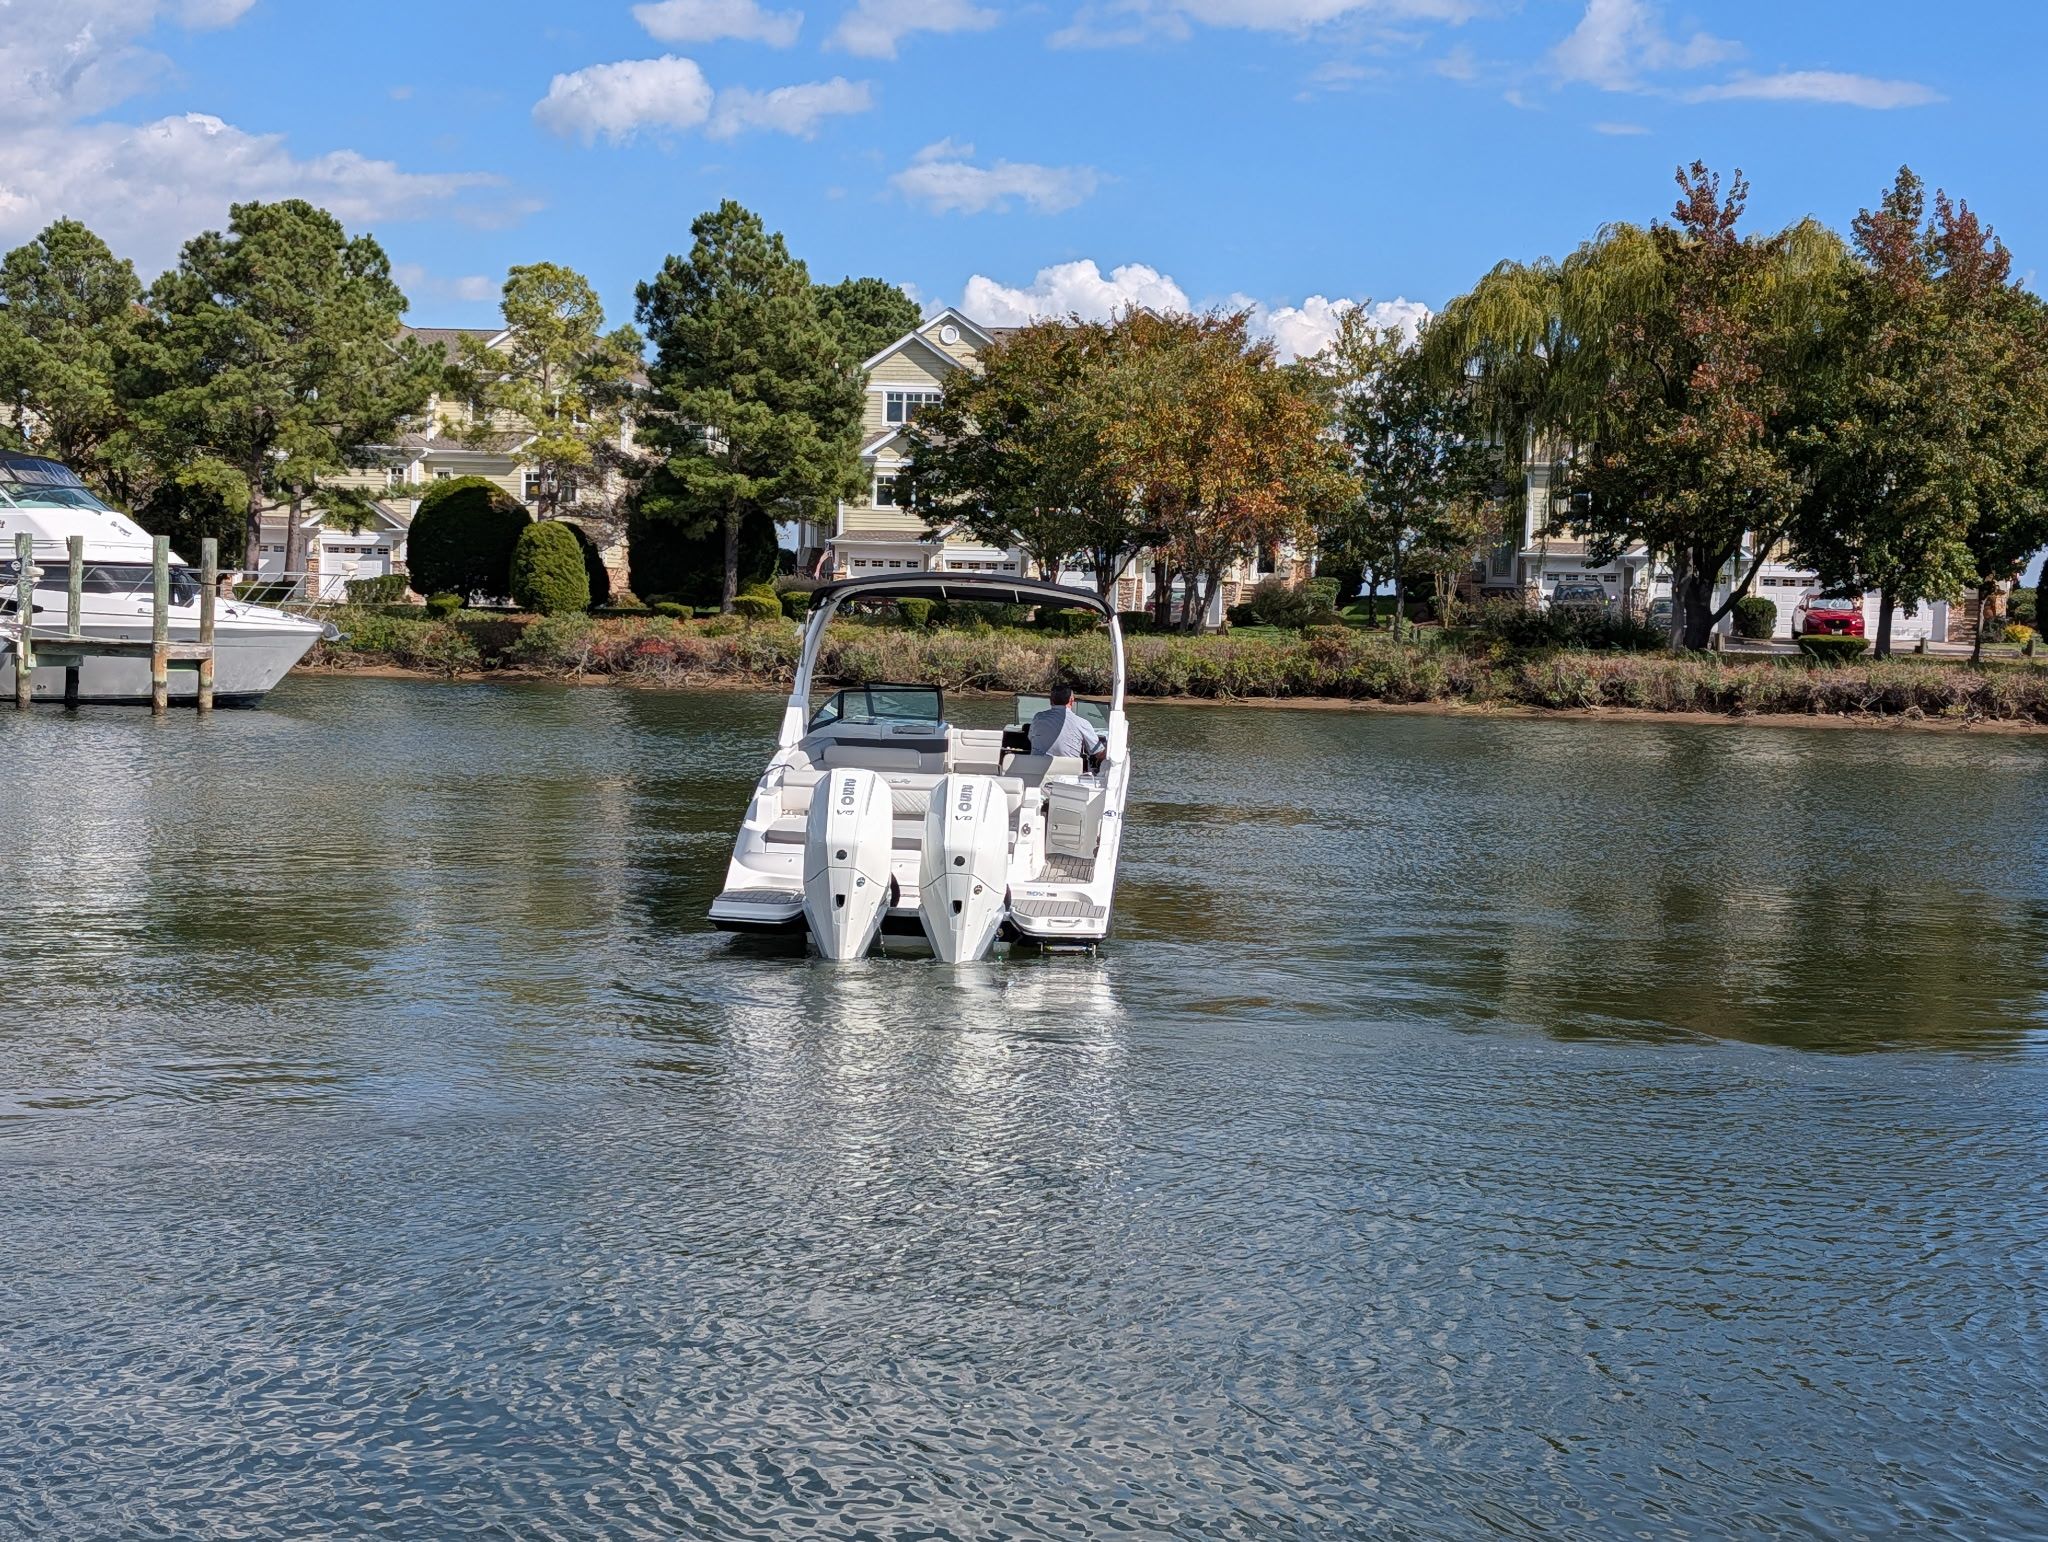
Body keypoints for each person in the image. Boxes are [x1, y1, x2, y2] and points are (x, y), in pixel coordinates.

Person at [1028, 684, 1104, 765]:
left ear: (1051, 700)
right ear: (1071, 701)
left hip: (1038, 771)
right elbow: (1099, 753)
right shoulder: (1082, 723)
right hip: (1069, 774)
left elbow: (1031, 738)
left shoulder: (1038, 718)